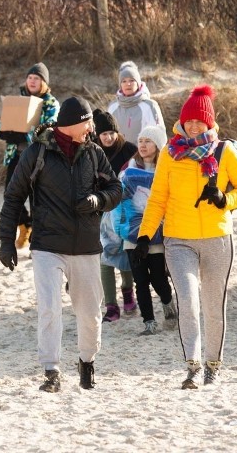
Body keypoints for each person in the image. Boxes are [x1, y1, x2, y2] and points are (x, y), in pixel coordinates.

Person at [0, 97, 123, 392]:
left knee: (90, 312)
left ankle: (86, 362)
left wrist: (98, 200)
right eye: (88, 123)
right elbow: (13, 196)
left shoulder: (94, 153)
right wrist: (6, 241)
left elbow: (116, 189)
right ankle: (51, 371)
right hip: (47, 246)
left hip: (86, 246)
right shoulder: (37, 152)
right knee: (49, 308)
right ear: (72, 125)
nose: (92, 129)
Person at [136, 85, 237, 389]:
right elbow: (157, 199)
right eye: (188, 121)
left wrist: (224, 199)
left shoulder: (224, 151)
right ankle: (192, 365)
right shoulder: (170, 153)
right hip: (179, 240)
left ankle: (213, 365)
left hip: (217, 238)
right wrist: (144, 236)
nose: (192, 126)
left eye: (198, 122)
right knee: (187, 301)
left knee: (214, 305)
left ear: (209, 122)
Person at [115, 125, 177, 335]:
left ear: (158, 145)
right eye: (140, 141)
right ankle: (148, 322)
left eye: (148, 141)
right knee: (140, 280)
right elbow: (121, 200)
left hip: (158, 233)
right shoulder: (129, 168)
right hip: (133, 233)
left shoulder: (166, 169)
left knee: (159, 278)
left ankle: (168, 305)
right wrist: (121, 227)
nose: (142, 145)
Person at [0, 63, 60, 250]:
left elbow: (51, 127)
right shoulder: (17, 99)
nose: (32, 81)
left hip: (39, 157)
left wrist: (25, 134)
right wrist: (4, 132)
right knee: (11, 194)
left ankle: (37, 240)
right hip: (16, 155)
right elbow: (0, 123)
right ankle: (25, 225)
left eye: (37, 78)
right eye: (30, 77)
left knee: (36, 198)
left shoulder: (51, 102)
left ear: (44, 82)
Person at [93, 108, 138, 322]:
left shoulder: (129, 150)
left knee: (126, 252)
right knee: (105, 257)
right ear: (97, 135)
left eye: (112, 133)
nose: (108, 137)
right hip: (102, 213)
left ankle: (128, 292)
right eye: (104, 134)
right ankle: (111, 306)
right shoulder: (92, 151)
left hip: (127, 210)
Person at [107, 61, 165, 145]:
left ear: (138, 83)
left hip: (141, 155)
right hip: (118, 155)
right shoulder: (112, 106)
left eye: (132, 80)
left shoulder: (149, 106)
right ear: (120, 85)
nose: (128, 84)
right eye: (124, 81)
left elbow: (159, 134)